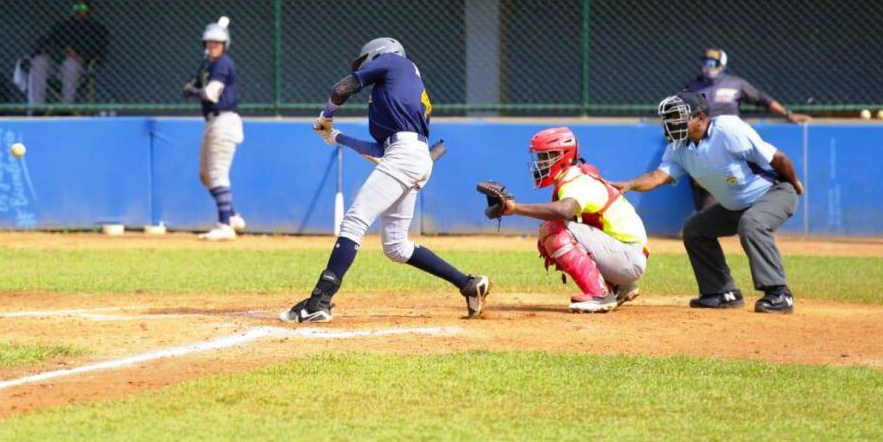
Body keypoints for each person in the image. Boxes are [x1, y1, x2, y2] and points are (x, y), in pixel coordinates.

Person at [280, 37, 491, 323]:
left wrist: (326, 115)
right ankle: (468, 284)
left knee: (355, 220)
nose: (367, 66)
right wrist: (337, 136)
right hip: (408, 155)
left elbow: (341, 88)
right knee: (396, 247)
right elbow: (379, 150)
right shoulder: (397, 90)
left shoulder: (394, 61)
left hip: (405, 156)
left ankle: (321, 299)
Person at [611, 91, 803, 314]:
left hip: (774, 192)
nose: (672, 124)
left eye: (678, 117)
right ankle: (722, 293)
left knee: (752, 223)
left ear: (701, 118)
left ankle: (779, 294)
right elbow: (657, 177)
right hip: (736, 207)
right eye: (669, 118)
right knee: (695, 229)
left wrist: (794, 185)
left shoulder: (728, 129)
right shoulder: (678, 147)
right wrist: (628, 185)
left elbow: (778, 158)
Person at [477, 127, 648, 313]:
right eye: (539, 158)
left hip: (629, 257)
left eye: (545, 157)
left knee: (553, 230)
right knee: (552, 233)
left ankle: (600, 295)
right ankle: (619, 286)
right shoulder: (574, 177)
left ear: (563, 156)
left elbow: (563, 211)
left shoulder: (577, 181)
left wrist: (516, 208)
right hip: (625, 255)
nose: (540, 164)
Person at [685, 48, 810, 210]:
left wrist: (788, 114)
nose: (707, 67)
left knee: (745, 174)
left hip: (730, 139)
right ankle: (706, 217)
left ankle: (761, 207)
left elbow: (762, 99)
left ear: (721, 65)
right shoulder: (694, 86)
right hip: (701, 140)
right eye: (705, 63)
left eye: (712, 63)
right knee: (700, 180)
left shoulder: (736, 84)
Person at [182, 18, 246, 241]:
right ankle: (232, 216)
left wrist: (194, 91)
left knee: (217, 173)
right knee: (206, 175)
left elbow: (211, 93)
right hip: (212, 122)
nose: (212, 47)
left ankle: (224, 225)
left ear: (224, 45)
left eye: (216, 43)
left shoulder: (222, 63)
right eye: (209, 43)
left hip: (224, 121)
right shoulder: (211, 64)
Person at [28, 0, 109, 107]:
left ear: (89, 9)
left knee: (70, 64)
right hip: (56, 65)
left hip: (79, 69)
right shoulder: (62, 26)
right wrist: (61, 50)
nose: (78, 10)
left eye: (82, 7)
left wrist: (80, 55)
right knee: (39, 61)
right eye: (75, 7)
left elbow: (100, 53)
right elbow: (47, 43)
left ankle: (67, 108)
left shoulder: (96, 29)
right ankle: (36, 108)